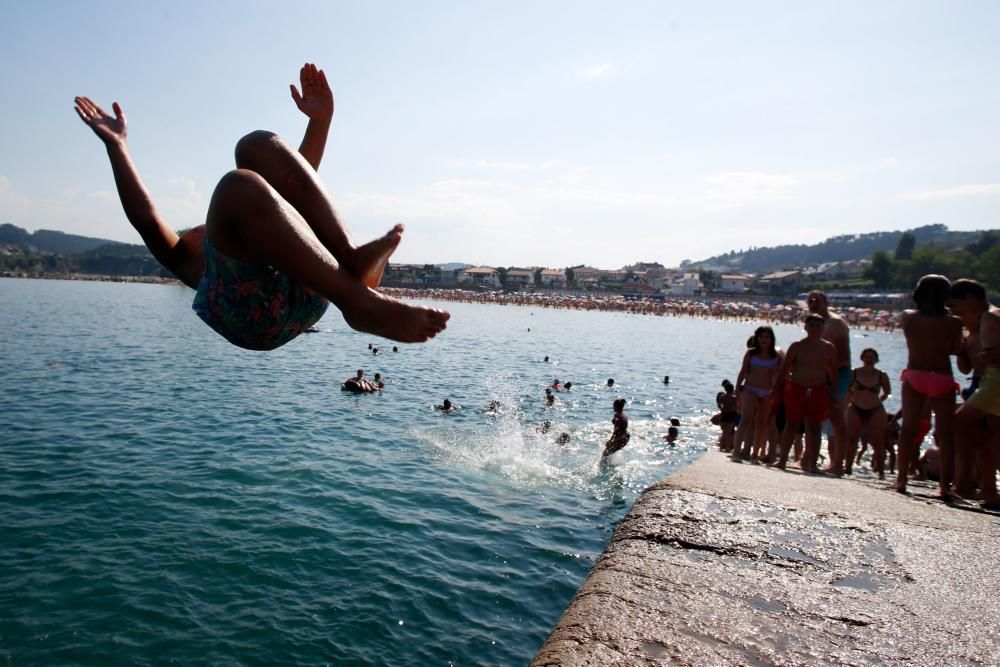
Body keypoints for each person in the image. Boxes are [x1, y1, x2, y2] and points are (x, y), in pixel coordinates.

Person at [74, 64, 449, 352]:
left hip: (312, 288)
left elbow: (295, 192)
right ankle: (358, 300)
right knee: (239, 184)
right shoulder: (191, 256)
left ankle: (351, 260)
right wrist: (117, 147)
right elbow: (145, 219)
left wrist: (320, 123)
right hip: (253, 319)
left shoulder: (265, 227)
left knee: (255, 144)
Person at [894, 275, 963, 497]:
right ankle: (945, 486)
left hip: (916, 373)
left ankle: (901, 479)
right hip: (942, 375)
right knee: (945, 434)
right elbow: (954, 349)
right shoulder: (954, 322)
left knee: (908, 430)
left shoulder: (909, 318)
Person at [949, 279, 1000, 508]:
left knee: (959, 421)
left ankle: (964, 483)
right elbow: (966, 368)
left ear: (970, 298)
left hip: (995, 380)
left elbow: (992, 355)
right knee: (987, 439)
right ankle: (989, 490)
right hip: (984, 381)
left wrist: (988, 356)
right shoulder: (974, 327)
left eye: (955, 305)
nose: (954, 311)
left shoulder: (992, 316)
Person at [774, 314, 838, 472]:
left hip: (818, 389)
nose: (815, 328)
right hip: (797, 388)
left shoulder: (829, 348)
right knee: (792, 424)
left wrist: (835, 395)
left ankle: (812, 464)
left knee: (815, 427)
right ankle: (782, 460)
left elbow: (832, 373)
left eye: (819, 325)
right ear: (806, 327)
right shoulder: (797, 346)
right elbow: (784, 368)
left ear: (823, 328)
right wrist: (775, 389)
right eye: (812, 325)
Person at [807, 291, 851, 475]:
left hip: (837, 374)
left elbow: (842, 355)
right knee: (814, 416)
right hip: (821, 374)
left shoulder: (835, 323)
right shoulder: (815, 322)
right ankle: (810, 460)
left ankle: (839, 464)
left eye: (817, 300)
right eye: (810, 301)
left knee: (836, 418)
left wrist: (830, 376)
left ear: (826, 302)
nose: (813, 303)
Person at [733, 326, 784, 463]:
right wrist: (737, 388)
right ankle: (737, 452)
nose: (764, 340)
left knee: (762, 422)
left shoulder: (776, 356)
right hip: (751, 388)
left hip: (767, 392)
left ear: (771, 339)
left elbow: (779, 376)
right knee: (746, 418)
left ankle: (755, 454)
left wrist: (776, 391)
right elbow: (743, 371)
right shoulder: (751, 354)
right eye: (761, 337)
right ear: (757, 338)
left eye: (767, 337)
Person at [844, 348, 891, 478]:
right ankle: (848, 467)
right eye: (867, 357)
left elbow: (887, 392)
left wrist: (878, 401)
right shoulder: (855, 373)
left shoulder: (881, 375)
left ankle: (881, 472)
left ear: (876, 359)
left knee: (878, 441)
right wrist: (851, 399)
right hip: (856, 407)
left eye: (872, 357)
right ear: (862, 358)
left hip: (875, 409)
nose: (869, 359)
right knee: (852, 438)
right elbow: (848, 390)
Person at [715, 380, 739, 452]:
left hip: (724, 414)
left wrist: (722, 409)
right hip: (731, 415)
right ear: (732, 390)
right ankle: (727, 448)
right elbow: (737, 407)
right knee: (728, 433)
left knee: (724, 432)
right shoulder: (734, 398)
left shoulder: (722, 397)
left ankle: (721, 447)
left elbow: (719, 405)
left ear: (725, 389)